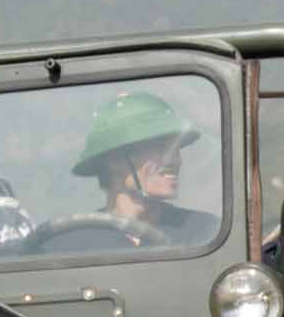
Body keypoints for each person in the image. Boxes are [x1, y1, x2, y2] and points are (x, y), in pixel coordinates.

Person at [69, 90, 218, 245]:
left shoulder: (205, 234)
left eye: (177, 149)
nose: (174, 160)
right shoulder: (74, 245)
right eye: (160, 148)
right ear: (114, 160)